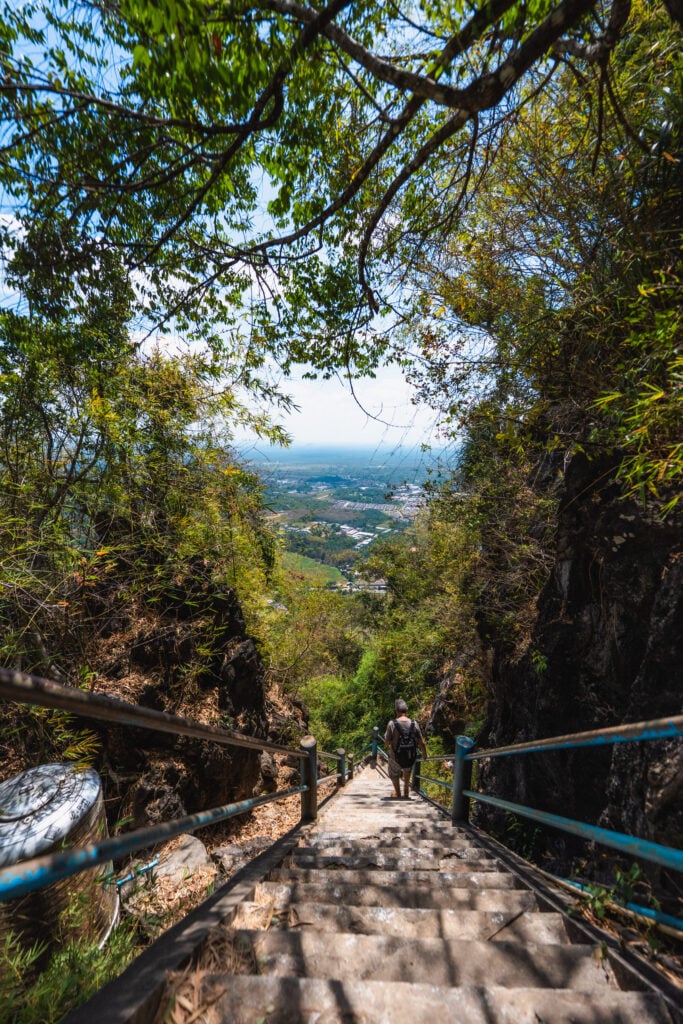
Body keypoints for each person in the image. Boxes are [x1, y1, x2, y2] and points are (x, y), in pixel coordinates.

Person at [384, 698, 427, 799]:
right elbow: (422, 742)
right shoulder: (414, 723)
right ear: (407, 710)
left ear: (396, 711)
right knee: (407, 771)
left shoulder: (392, 723)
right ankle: (406, 792)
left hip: (395, 757)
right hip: (409, 756)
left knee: (394, 774)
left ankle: (398, 793)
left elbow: (386, 742)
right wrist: (425, 754)